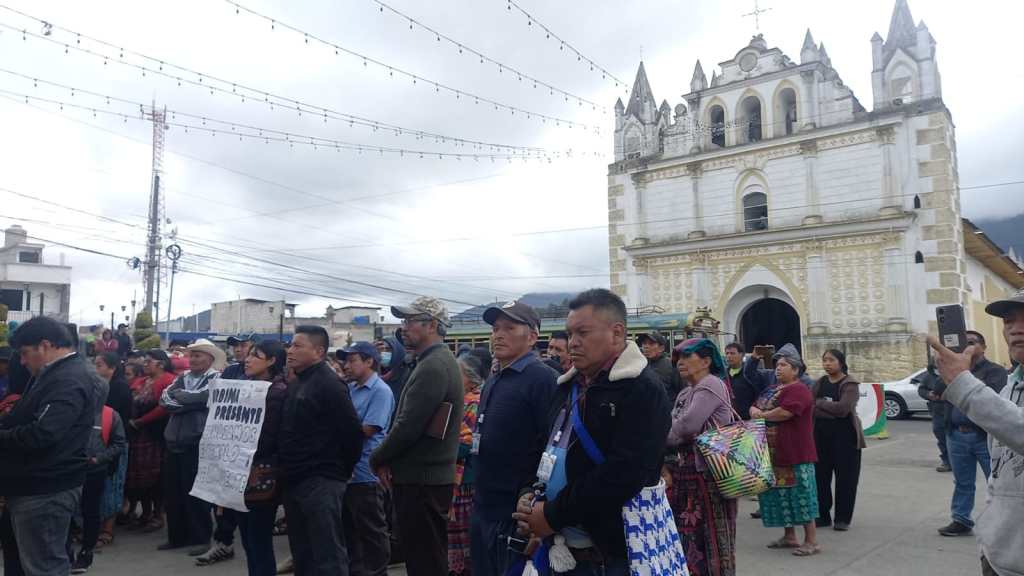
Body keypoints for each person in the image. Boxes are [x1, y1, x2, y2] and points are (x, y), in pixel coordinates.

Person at [513, 289, 672, 575]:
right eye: (570, 333)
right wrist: (529, 493)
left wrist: (551, 514)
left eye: (583, 332)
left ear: (617, 332)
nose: (572, 342)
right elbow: (542, 446)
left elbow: (625, 472)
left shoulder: (643, 389)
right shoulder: (567, 386)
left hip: (609, 551)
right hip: (560, 543)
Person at [928, 289, 1024, 576]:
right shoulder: (1010, 385)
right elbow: (998, 473)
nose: (1016, 329)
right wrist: (988, 536)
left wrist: (963, 384)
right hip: (997, 559)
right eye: (1009, 321)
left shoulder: (990, 376)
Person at [371, 297, 463, 576]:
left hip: (423, 482)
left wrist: (377, 458)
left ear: (432, 325)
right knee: (425, 557)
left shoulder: (433, 365)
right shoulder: (431, 361)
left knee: (425, 561)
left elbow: (408, 426)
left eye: (410, 321)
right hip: (423, 479)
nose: (404, 328)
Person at [0, 317, 95, 575]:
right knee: (21, 562)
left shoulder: (68, 378)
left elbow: (43, 433)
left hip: (44, 489)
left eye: (24, 353)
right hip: (30, 484)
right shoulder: (54, 374)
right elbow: (25, 417)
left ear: (45, 345)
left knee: (43, 567)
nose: (21, 361)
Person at [470, 301, 556, 576]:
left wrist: (535, 505)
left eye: (509, 327)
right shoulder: (495, 378)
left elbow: (550, 446)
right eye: (495, 328)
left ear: (532, 337)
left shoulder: (542, 380)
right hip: (484, 505)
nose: (498, 334)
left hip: (515, 513)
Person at [280, 325, 364, 575]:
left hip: (321, 480)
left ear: (318, 351)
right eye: (290, 345)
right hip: (294, 479)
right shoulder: (297, 382)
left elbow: (352, 434)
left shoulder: (330, 385)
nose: (290, 351)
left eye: (297, 345)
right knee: (303, 553)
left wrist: (338, 473)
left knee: (327, 554)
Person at [666, 338, 737, 576]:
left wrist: (664, 434)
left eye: (687, 357)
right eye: (678, 358)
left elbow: (686, 426)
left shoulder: (711, 384)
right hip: (687, 474)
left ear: (706, 361)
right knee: (688, 535)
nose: (680, 362)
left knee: (710, 536)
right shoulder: (687, 391)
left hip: (708, 473)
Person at [935, 330, 1008, 537]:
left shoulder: (995, 371)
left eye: (972, 342)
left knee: (996, 481)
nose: (967, 346)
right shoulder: (953, 369)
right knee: (962, 481)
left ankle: (1001, 524)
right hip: (956, 435)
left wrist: (964, 374)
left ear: (983, 348)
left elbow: (992, 397)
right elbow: (939, 390)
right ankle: (961, 519)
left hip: (984, 437)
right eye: (963, 343)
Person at [749, 346, 820, 557]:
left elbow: (785, 412)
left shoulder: (798, 389)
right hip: (774, 453)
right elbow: (754, 406)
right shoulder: (773, 388)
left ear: (796, 370)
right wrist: (757, 412)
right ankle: (790, 536)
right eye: (777, 365)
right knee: (782, 495)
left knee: (802, 496)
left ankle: (812, 540)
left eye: (783, 365)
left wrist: (761, 414)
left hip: (795, 453)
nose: (778, 369)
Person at [158, 339, 225, 555]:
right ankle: (177, 537)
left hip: (197, 442)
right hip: (174, 441)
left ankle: (201, 538)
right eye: (192, 355)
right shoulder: (182, 377)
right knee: (172, 492)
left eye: (198, 355)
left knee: (196, 493)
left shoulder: (217, 379)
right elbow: (164, 399)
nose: (193, 359)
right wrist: (188, 402)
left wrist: (184, 399)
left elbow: (207, 398)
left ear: (210, 359)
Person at [198, 334, 255, 567]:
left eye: (244, 345)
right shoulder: (231, 373)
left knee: (251, 500)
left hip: (253, 448)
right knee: (222, 498)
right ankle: (223, 542)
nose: (239, 350)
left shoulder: (269, 376)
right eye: (236, 346)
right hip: (229, 445)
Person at [338, 342, 395, 576]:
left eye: (352, 360)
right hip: (347, 471)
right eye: (346, 361)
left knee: (372, 532)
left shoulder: (380, 391)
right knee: (350, 532)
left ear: (369, 361)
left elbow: (369, 429)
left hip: (366, 472)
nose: (346, 366)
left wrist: (333, 429)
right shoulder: (350, 389)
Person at [234, 340, 289, 576]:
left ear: (272, 361)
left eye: (256, 355)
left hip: (263, 474)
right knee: (247, 538)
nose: (248, 359)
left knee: (259, 539)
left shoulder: (278, 393)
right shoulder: (245, 386)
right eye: (248, 355)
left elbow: (270, 438)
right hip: (240, 471)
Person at [71, 389, 127, 574]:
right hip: (67, 471)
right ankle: (66, 552)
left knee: (90, 510)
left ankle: (87, 552)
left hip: (94, 471)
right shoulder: (70, 410)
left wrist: (98, 459)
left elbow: (119, 443)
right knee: (67, 511)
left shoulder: (110, 415)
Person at [811, 349, 865, 531]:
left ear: (840, 363)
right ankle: (822, 516)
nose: (827, 363)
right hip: (820, 437)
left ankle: (842, 518)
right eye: (824, 360)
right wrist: (825, 406)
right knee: (820, 478)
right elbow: (810, 406)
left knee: (846, 479)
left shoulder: (850, 384)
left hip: (846, 438)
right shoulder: (820, 382)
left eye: (831, 360)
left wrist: (820, 403)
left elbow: (843, 409)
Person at [125, 350, 174, 533]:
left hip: (155, 434)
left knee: (155, 477)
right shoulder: (143, 381)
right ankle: (145, 513)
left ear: (160, 364)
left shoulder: (168, 380)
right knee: (140, 477)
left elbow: (164, 408)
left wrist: (140, 421)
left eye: (149, 361)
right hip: (139, 436)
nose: (145, 364)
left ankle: (157, 514)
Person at [94, 353, 131, 549]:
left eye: (99, 365)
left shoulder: (119, 389)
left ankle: (107, 529)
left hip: (115, 442)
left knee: (112, 486)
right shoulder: (98, 387)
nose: (96, 369)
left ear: (112, 368)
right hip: (97, 443)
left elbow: (118, 421)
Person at [450, 356, 483, 576]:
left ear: (471, 380)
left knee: (464, 542)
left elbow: (464, 445)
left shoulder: (474, 404)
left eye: (457, 374)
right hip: (455, 482)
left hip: (465, 484)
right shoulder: (455, 402)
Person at [915, 362, 951, 472]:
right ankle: (947, 461)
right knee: (941, 436)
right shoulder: (929, 376)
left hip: (952, 409)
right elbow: (921, 389)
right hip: (937, 411)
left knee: (955, 436)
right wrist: (928, 395)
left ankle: (959, 460)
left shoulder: (952, 371)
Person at [638, 331, 682, 401]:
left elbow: (683, 391)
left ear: (661, 348)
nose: (646, 346)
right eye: (644, 343)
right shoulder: (639, 365)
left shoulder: (672, 366)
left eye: (651, 344)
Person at [723, 342, 761, 420]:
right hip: (729, 419)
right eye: (727, 353)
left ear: (742, 355)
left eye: (732, 353)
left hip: (749, 418)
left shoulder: (749, 372)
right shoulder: (723, 374)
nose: (729, 356)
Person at [376, 335, 410, 407]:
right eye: (382, 350)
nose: (383, 353)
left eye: (388, 349)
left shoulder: (406, 375)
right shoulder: (376, 372)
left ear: (397, 351)